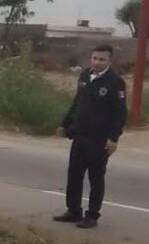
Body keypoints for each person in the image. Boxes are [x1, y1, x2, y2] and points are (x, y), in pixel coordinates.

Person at [53, 44, 127, 229]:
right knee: (74, 175)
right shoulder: (85, 76)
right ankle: (73, 211)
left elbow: (120, 113)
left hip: (99, 139)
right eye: (94, 58)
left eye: (102, 59)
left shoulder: (115, 82)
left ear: (109, 61)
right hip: (80, 135)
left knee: (95, 177)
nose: (97, 62)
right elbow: (77, 101)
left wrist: (114, 138)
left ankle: (92, 215)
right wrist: (65, 123)